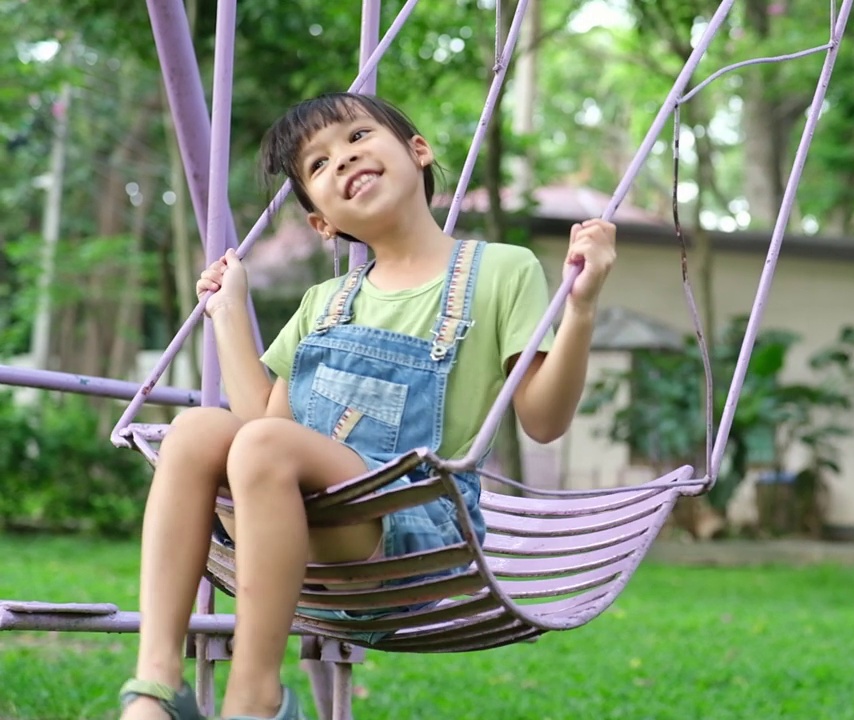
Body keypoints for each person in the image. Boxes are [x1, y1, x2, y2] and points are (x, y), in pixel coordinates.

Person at [117, 91, 616, 720]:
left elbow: (544, 422)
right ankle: (155, 688)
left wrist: (581, 308)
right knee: (193, 431)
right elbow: (265, 428)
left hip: (412, 538)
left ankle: (254, 701)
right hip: (297, 531)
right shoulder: (322, 303)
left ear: (417, 151)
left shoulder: (500, 271)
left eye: (356, 138)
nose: (344, 160)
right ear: (322, 222)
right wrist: (226, 315)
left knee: (261, 446)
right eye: (318, 165)